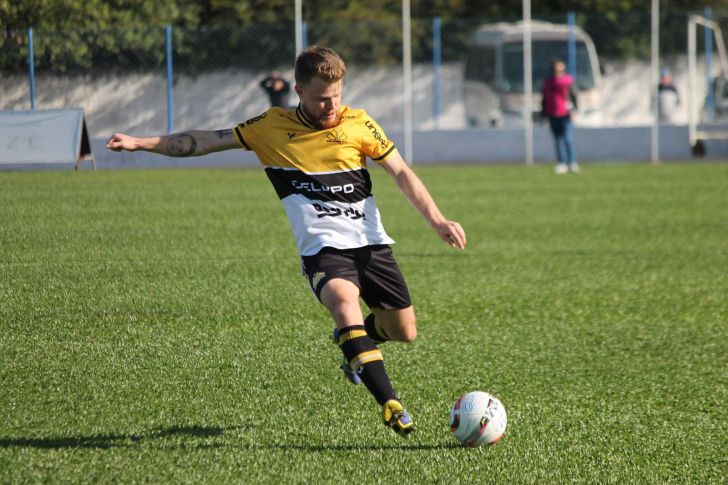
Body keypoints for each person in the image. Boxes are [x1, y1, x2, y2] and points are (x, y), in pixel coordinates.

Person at [106, 46, 466, 439]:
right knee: (343, 304)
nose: (331, 105)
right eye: (320, 98)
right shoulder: (270, 126)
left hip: (372, 245)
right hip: (323, 250)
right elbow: (206, 140)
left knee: (404, 331)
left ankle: (353, 346)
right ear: (298, 90)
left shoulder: (359, 124)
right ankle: (390, 403)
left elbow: (400, 171)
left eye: (337, 95)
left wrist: (437, 219)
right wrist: (142, 142)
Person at [542, 59, 579, 174]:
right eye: (556, 70)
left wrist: (575, 110)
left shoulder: (568, 81)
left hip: (565, 114)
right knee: (557, 140)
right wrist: (543, 112)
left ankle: (572, 162)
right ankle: (561, 163)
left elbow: (574, 97)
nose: (558, 72)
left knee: (567, 139)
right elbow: (544, 99)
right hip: (553, 114)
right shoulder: (548, 82)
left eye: (560, 70)